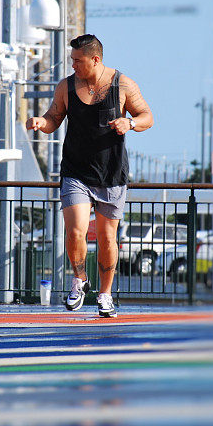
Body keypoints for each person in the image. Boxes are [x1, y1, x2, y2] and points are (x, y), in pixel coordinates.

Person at [27, 34, 153, 317]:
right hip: (76, 171)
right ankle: (80, 279)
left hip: (112, 173)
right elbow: (53, 119)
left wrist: (129, 122)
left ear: (95, 59)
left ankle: (105, 294)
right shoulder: (66, 87)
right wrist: (40, 123)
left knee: (108, 239)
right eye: (72, 60)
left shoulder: (123, 85)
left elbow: (147, 116)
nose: (73, 66)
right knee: (75, 231)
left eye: (77, 61)